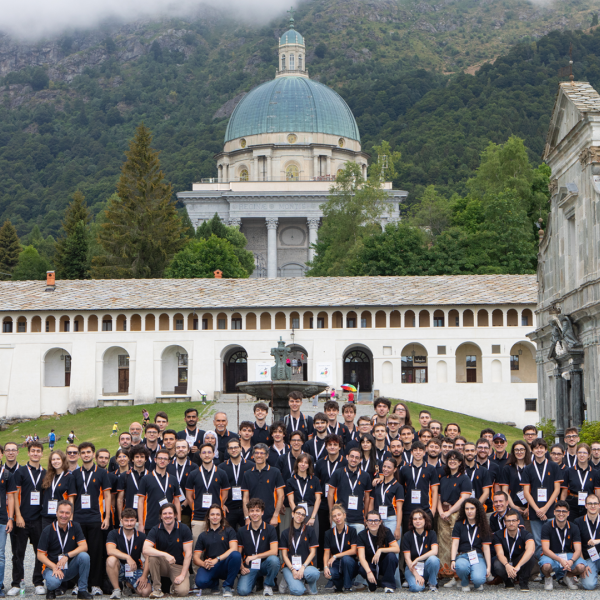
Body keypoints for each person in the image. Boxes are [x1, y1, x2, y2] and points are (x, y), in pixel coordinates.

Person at [71, 442, 112, 596]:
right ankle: (78, 584)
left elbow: (107, 496)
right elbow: (72, 498)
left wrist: (106, 517)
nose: (86, 455)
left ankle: (95, 584)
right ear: (80, 455)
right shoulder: (75, 474)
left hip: (96, 518)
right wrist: (71, 519)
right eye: (83, 452)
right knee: (77, 553)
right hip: (78, 519)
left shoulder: (101, 473)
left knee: (96, 552)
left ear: (93, 454)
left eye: (88, 452)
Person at [10, 441, 46, 597]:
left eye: (38, 451)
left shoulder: (46, 473)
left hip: (39, 519)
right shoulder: (21, 472)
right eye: (33, 451)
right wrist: (18, 515)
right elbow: (14, 495)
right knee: (18, 553)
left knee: (40, 552)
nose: (35, 453)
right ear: (28, 453)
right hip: (22, 519)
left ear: (42, 454)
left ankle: (38, 582)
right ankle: (17, 583)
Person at [37, 500, 91, 600]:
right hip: (51, 568)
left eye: (67, 513)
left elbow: (84, 546)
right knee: (53, 582)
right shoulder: (47, 530)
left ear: (71, 514)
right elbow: (40, 555)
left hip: (69, 567)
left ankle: (82, 590)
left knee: (84, 556)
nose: (64, 515)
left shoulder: (75, 526)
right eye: (61, 512)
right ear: (56, 512)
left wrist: (67, 555)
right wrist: (54, 567)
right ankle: (51, 589)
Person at [521, 437, 563, 560]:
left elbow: (557, 490)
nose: (539, 450)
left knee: (553, 540)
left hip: (550, 510)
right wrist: (538, 510)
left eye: (541, 448)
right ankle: (543, 570)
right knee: (538, 542)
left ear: (545, 450)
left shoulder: (554, 466)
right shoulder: (528, 469)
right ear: (532, 450)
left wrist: (544, 509)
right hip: (534, 511)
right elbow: (526, 492)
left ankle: (554, 569)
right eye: (536, 448)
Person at [437, 450, 473, 586]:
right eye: (450, 459)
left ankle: (458, 575)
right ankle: (448, 573)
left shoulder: (464, 478)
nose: (452, 461)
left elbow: (464, 499)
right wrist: (441, 512)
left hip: (456, 514)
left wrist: (449, 511)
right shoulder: (443, 479)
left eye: (455, 459)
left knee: (456, 544)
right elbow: (438, 498)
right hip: (443, 515)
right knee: (444, 544)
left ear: (460, 462)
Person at [143, 503, 193, 598]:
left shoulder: (184, 529)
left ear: (175, 515)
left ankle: (173, 588)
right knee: (152, 557)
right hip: (162, 564)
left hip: (178, 565)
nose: (167, 516)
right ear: (161, 516)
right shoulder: (155, 529)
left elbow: (188, 553)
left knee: (182, 592)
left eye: (170, 513)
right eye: (164, 513)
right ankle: (157, 589)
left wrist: (182, 574)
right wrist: (165, 555)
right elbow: (145, 549)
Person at [185, 443, 230, 544]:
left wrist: (218, 508)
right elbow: (188, 496)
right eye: (204, 453)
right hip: (198, 517)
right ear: (200, 455)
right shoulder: (193, 474)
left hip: (216, 518)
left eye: (209, 452)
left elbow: (225, 495)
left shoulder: (221, 473)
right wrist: (195, 507)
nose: (206, 455)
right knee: (197, 548)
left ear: (214, 454)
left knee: (216, 548)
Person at [193, 504, 241, 597]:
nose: (215, 517)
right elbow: (195, 558)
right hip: (210, 566)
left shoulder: (229, 530)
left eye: (218, 514)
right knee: (200, 582)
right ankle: (214, 584)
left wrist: (217, 559)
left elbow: (234, 548)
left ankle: (227, 586)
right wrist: (204, 564)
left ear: (221, 517)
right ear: (208, 517)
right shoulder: (203, 535)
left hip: (225, 564)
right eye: (212, 514)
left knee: (236, 555)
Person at [236, 498, 280, 597]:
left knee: (274, 560)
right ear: (248, 513)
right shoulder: (242, 531)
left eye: (257, 510)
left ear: (262, 512)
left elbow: (274, 551)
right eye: (252, 511)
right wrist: (241, 567)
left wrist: (255, 556)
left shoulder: (270, 529)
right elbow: (238, 552)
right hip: (249, 567)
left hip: (264, 564)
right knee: (243, 591)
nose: (254, 513)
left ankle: (268, 585)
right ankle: (254, 581)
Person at [314, 435, 346, 569]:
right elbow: (316, 482)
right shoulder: (320, 462)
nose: (332, 447)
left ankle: (338, 562)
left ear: (340, 447)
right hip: (323, 504)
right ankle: (322, 564)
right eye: (330, 444)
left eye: (335, 444)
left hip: (340, 504)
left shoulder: (345, 462)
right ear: (326, 447)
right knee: (323, 534)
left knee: (339, 534)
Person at [539, 500, 586, 590]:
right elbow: (545, 549)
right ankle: (548, 578)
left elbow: (578, 550)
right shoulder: (546, 526)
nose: (561, 514)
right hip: (552, 555)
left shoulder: (574, 527)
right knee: (546, 566)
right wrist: (560, 560)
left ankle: (567, 577)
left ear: (568, 513)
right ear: (554, 512)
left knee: (581, 567)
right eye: (558, 511)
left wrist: (571, 561)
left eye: (564, 511)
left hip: (568, 555)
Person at [106, 508, 150, 599]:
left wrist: (144, 576)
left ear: (136, 521)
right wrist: (127, 557)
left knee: (146, 592)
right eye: (126, 520)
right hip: (119, 569)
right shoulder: (113, 533)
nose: (129, 523)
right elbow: (110, 550)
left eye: (132, 520)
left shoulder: (141, 536)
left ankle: (128, 585)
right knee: (111, 559)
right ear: (121, 521)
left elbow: (148, 557)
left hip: (134, 569)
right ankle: (117, 589)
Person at [451, 498, 492, 592]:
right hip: (462, 556)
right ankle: (464, 582)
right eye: (467, 509)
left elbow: (486, 548)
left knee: (479, 579)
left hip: (477, 557)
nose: (469, 511)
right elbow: (455, 544)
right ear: (464, 510)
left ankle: (476, 582)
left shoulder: (483, 525)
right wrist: (453, 559)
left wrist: (488, 567)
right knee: (461, 566)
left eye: (472, 508)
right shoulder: (459, 524)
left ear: (477, 509)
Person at [327, 448, 372, 533]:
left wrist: (365, 516)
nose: (354, 460)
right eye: (352, 456)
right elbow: (330, 494)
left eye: (357, 457)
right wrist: (331, 514)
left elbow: (367, 498)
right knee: (339, 545)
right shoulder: (338, 473)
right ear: (347, 457)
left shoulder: (365, 476)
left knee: (358, 545)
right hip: (340, 518)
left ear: (360, 460)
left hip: (358, 519)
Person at [138, 449, 181, 533]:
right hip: (150, 522)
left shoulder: (173, 479)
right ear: (155, 460)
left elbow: (177, 501)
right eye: (160, 458)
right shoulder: (146, 479)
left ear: (168, 461)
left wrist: (178, 521)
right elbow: (140, 502)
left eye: (165, 459)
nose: (162, 461)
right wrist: (140, 523)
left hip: (169, 523)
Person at [399, 441, 439, 532]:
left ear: (424, 453)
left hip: (425, 509)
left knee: (426, 538)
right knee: (408, 537)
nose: (418, 452)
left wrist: (432, 511)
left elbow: (435, 491)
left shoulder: (431, 469)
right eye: (415, 450)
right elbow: (400, 490)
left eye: (420, 450)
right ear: (411, 452)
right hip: (408, 510)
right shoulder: (404, 469)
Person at [279, 505, 319, 596]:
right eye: (298, 513)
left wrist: (303, 567)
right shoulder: (285, 533)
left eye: (303, 515)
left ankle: (306, 581)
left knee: (315, 573)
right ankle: (287, 579)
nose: (300, 516)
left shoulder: (310, 531)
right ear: (292, 514)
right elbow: (284, 555)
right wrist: (293, 569)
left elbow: (313, 553)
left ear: (305, 517)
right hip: (290, 567)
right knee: (298, 591)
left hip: (305, 567)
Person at [241, 444, 284, 526]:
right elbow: (245, 498)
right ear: (253, 456)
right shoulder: (247, 474)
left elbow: (281, 496)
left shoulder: (275, 472)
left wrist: (275, 516)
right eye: (256, 453)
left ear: (267, 456)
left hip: (270, 517)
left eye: (262, 453)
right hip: (253, 517)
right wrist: (247, 517)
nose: (259, 455)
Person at [492, 509, 535, 591]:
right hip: (507, 561)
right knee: (497, 564)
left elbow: (530, 550)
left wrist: (518, 566)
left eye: (513, 521)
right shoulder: (498, 535)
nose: (511, 523)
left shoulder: (526, 534)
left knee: (531, 556)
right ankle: (508, 581)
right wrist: (507, 565)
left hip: (519, 562)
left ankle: (523, 582)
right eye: (508, 521)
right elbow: (499, 553)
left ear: (518, 521)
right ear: (504, 522)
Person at [356, 511, 399, 592]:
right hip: (370, 564)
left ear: (380, 522)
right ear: (366, 522)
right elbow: (361, 557)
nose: (373, 523)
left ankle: (388, 585)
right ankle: (373, 583)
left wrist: (380, 550)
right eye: (370, 520)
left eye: (376, 520)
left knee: (392, 556)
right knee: (362, 569)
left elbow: (397, 549)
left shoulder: (386, 531)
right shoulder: (361, 535)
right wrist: (368, 572)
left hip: (383, 564)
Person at [402, 508, 440, 593]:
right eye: (415, 519)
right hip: (412, 568)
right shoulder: (407, 535)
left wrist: (418, 559)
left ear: (425, 520)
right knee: (417, 588)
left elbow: (435, 551)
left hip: (426, 566)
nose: (417, 521)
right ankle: (416, 581)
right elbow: (407, 559)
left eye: (420, 518)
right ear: (412, 521)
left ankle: (432, 584)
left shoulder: (431, 533)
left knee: (433, 559)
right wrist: (416, 575)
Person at [221, 439, 254, 531]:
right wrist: (221, 504)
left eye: (236, 447)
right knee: (228, 535)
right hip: (229, 508)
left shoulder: (251, 466)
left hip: (247, 507)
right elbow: (218, 488)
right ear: (227, 450)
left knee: (247, 535)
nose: (233, 450)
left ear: (240, 448)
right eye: (231, 448)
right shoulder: (221, 468)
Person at [285, 453, 322, 537]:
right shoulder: (290, 481)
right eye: (301, 462)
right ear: (297, 463)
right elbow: (291, 501)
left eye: (306, 462)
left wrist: (313, 517)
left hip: (311, 511)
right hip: (296, 510)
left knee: (312, 537)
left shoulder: (314, 480)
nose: (303, 464)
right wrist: (297, 514)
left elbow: (318, 499)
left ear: (309, 465)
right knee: (296, 537)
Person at [560, 442, 598, 520]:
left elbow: (598, 493)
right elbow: (564, 492)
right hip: (572, 503)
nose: (582, 455)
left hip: (589, 504)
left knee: (586, 528)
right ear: (576, 454)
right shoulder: (569, 471)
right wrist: (562, 508)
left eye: (584, 453)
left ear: (589, 455)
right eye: (579, 452)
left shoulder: (594, 473)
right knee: (571, 528)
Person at [41, 450, 75, 529]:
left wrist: (70, 518)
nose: (56, 461)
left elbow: (71, 499)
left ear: (63, 460)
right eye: (53, 459)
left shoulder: (69, 477)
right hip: (46, 517)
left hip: (62, 517)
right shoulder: (47, 476)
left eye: (58, 459)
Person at [166, 439, 197, 528]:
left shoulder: (194, 467)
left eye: (183, 447)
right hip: (169, 509)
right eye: (178, 447)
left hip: (187, 510)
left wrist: (182, 506)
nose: (180, 449)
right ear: (174, 450)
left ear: (188, 450)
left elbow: (194, 490)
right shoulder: (168, 466)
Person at [372, 458, 403, 541]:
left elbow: (399, 509)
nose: (385, 469)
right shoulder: (378, 484)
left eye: (389, 467)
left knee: (392, 548)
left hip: (391, 520)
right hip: (377, 520)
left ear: (395, 469)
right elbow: (372, 503)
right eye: (384, 466)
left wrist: (397, 528)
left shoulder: (398, 487)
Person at [574, 493, 600, 590]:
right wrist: (583, 563)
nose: (593, 506)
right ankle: (593, 573)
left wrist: (598, 541)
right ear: (585, 505)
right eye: (590, 503)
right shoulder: (578, 522)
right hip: (588, 558)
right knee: (589, 586)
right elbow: (577, 545)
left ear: (599, 505)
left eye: (595, 503)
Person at [116, 445, 149, 522]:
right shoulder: (125, 475)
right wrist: (120, 517)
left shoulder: (151, 476)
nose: (139, 459)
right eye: (137, 457)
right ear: (132, 459)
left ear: (146, 459)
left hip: (147, 516)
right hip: (129, 517)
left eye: (142, 457)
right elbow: (120, 498)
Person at [0, 444, 16, 597]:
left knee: (0, 555)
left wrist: (10, 518)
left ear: (1, 455)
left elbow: (11, 497)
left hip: (2, 519)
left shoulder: (6, 475)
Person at [499, 440, 530, 518]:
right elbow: (505, 490)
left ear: (526, 451)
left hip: (530, 507)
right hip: (513, 506)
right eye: (516, 450)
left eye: (522, 449)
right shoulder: (507, 468)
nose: (519, 452)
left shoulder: (531, 467)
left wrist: (529, 507)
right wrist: (513, 506)